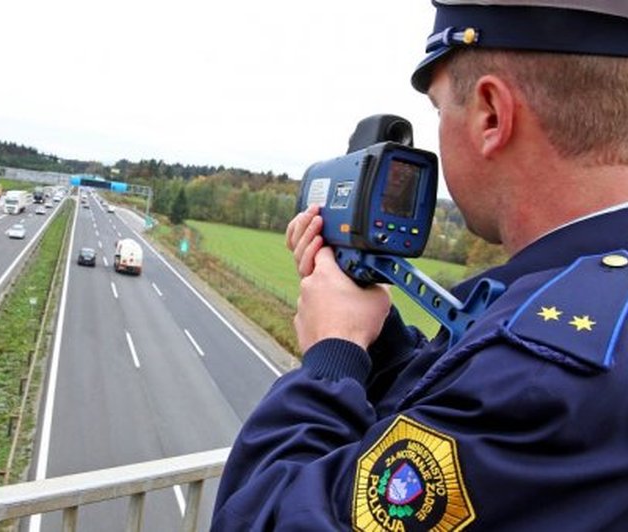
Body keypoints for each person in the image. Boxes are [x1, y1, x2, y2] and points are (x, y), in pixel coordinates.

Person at [211, 1, 628, 530]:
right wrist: (380, 339)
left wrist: (331, 357)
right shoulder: (568, 312)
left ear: (491, 114)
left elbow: (262, 518)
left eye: (438, 110)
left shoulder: (546, 373)